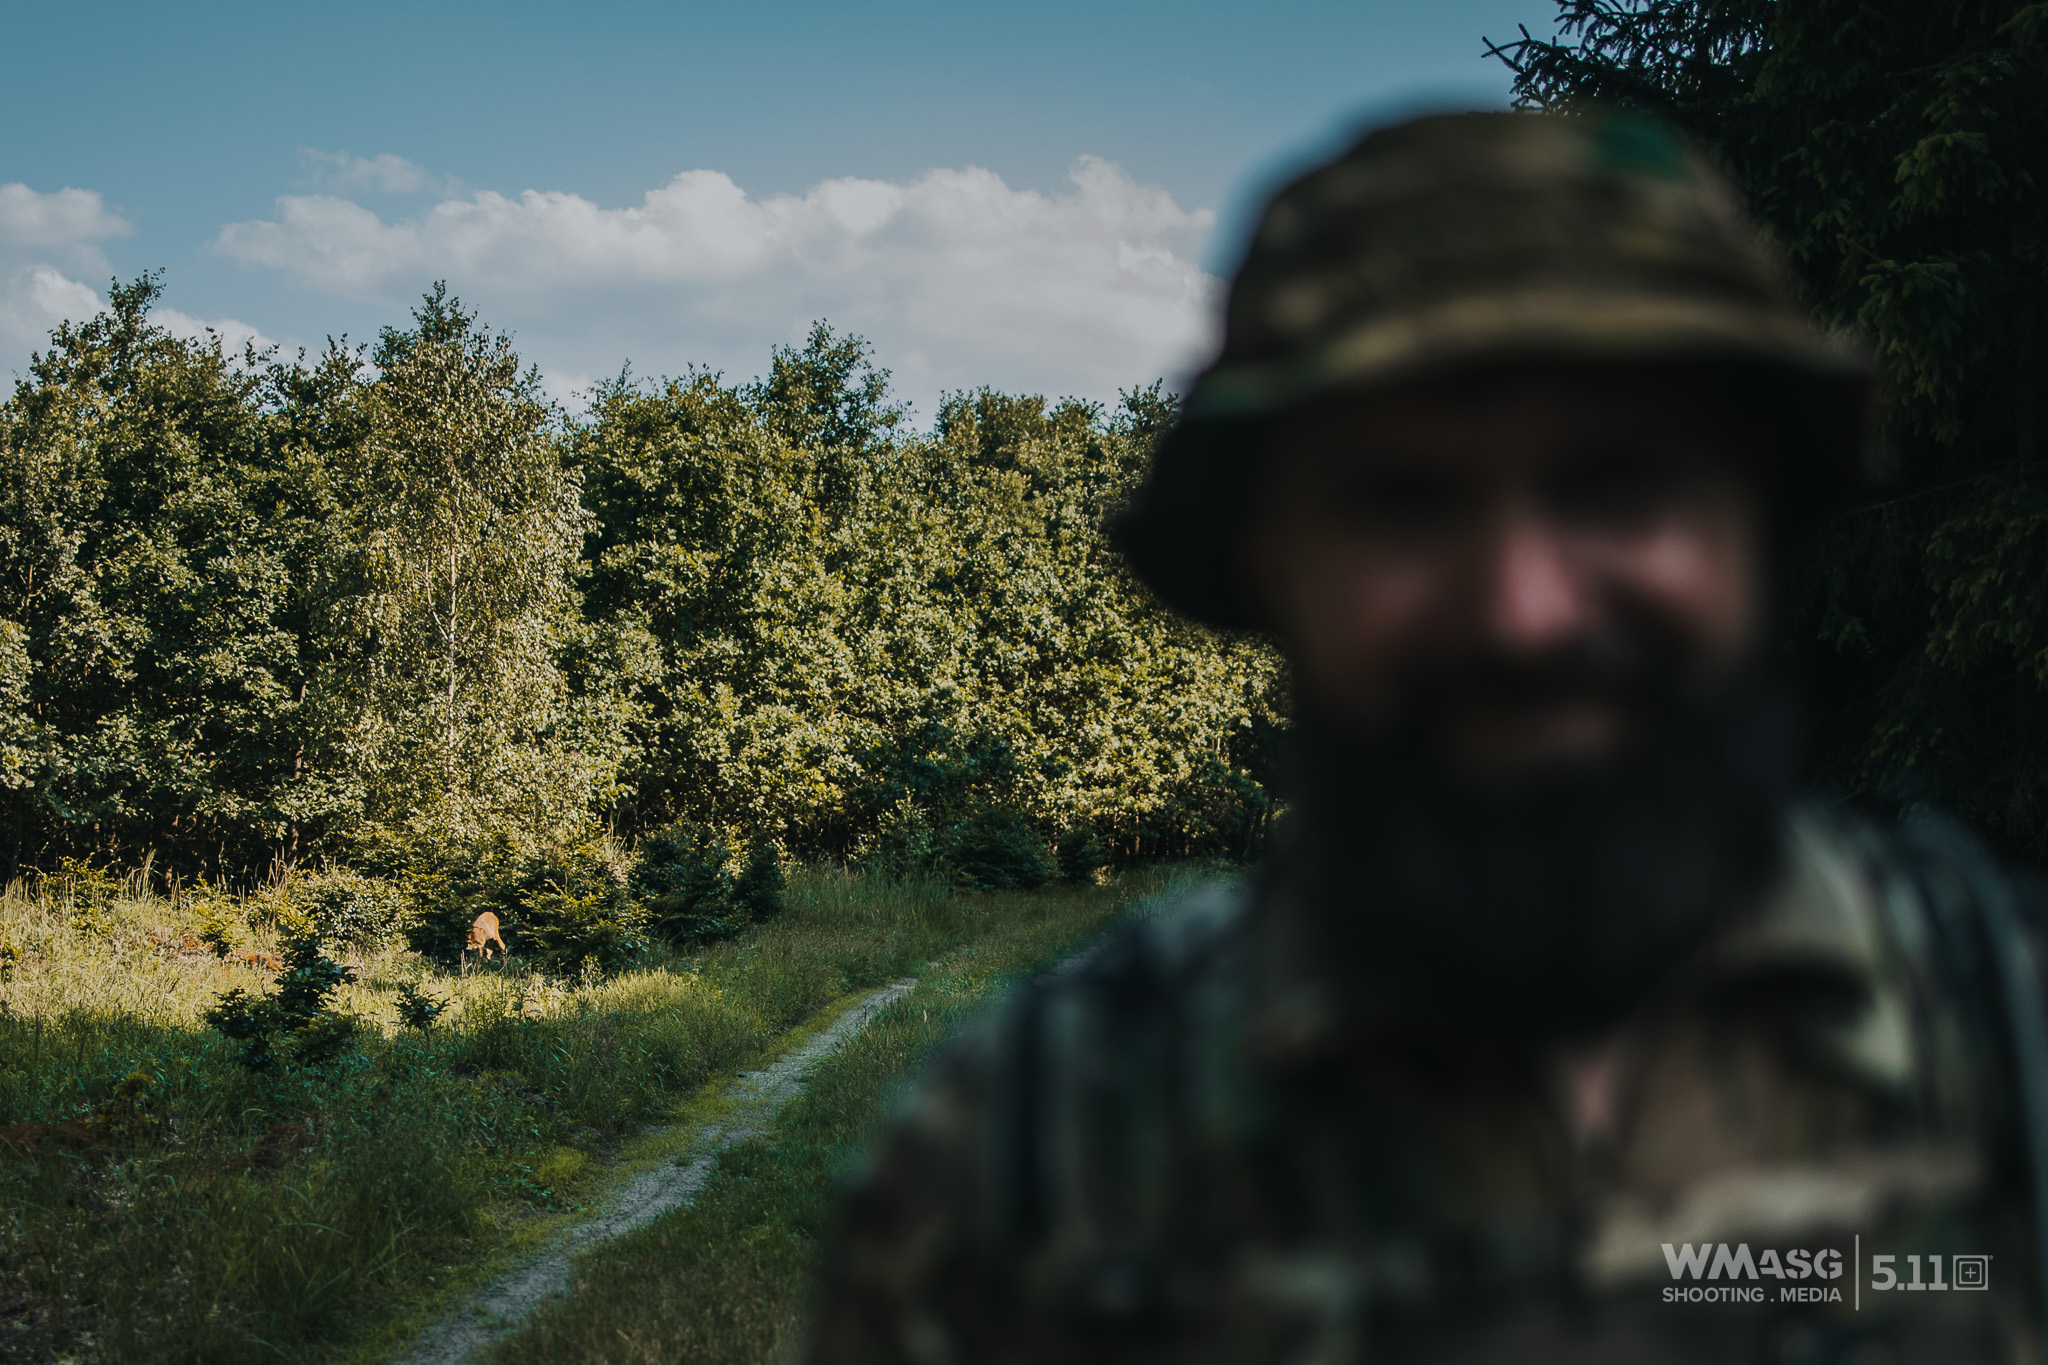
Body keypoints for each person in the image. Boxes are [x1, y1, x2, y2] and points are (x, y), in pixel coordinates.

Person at [802, 110, 2048, 1363]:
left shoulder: (2008, 1031)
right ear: (1265, 566)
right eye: (1401, 501)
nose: (1522, 614)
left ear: (1758, 521)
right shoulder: (1026, 1159)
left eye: (1617, 481)